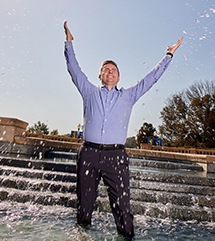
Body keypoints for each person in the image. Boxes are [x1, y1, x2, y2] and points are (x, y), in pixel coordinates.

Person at [63, 21, 182, 240]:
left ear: (118, 77)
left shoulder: (128, 95)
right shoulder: (89, 92)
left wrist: (168, 55)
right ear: (100, 76)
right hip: (88, 154)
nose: (110, 71)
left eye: (114, 70)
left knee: (122, 206)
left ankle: (127, 237)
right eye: (105, 69)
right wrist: (69, 43)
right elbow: (74, 69)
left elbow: (151, 78)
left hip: (116, 156)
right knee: (84, 205)